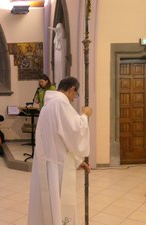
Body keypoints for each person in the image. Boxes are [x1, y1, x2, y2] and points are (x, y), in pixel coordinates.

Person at [28, 77, 93, 225]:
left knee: (48, 206)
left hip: (47, 163)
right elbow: (75, 130)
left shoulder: (48, 105)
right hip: (57, 168)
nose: (73, 99)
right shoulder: (61, 104)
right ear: (72, 89)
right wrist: (85, 115)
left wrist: (78, 161)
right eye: (75, 95)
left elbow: (60, 139)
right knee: (58, 205)